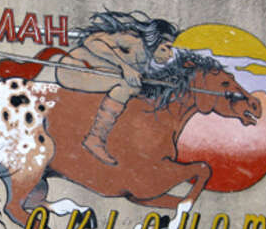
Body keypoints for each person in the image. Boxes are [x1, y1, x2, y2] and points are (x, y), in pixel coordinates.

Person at [55, 10, 180, 165]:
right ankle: (95, 139)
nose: (169, 55)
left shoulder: (146, 60)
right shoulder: (133, 40)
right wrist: (124, 66)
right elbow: (91, 41)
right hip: (74, 68)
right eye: (165, 48)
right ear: (154, 41)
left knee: (134, 87)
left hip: (95, 72)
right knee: (125, 84)